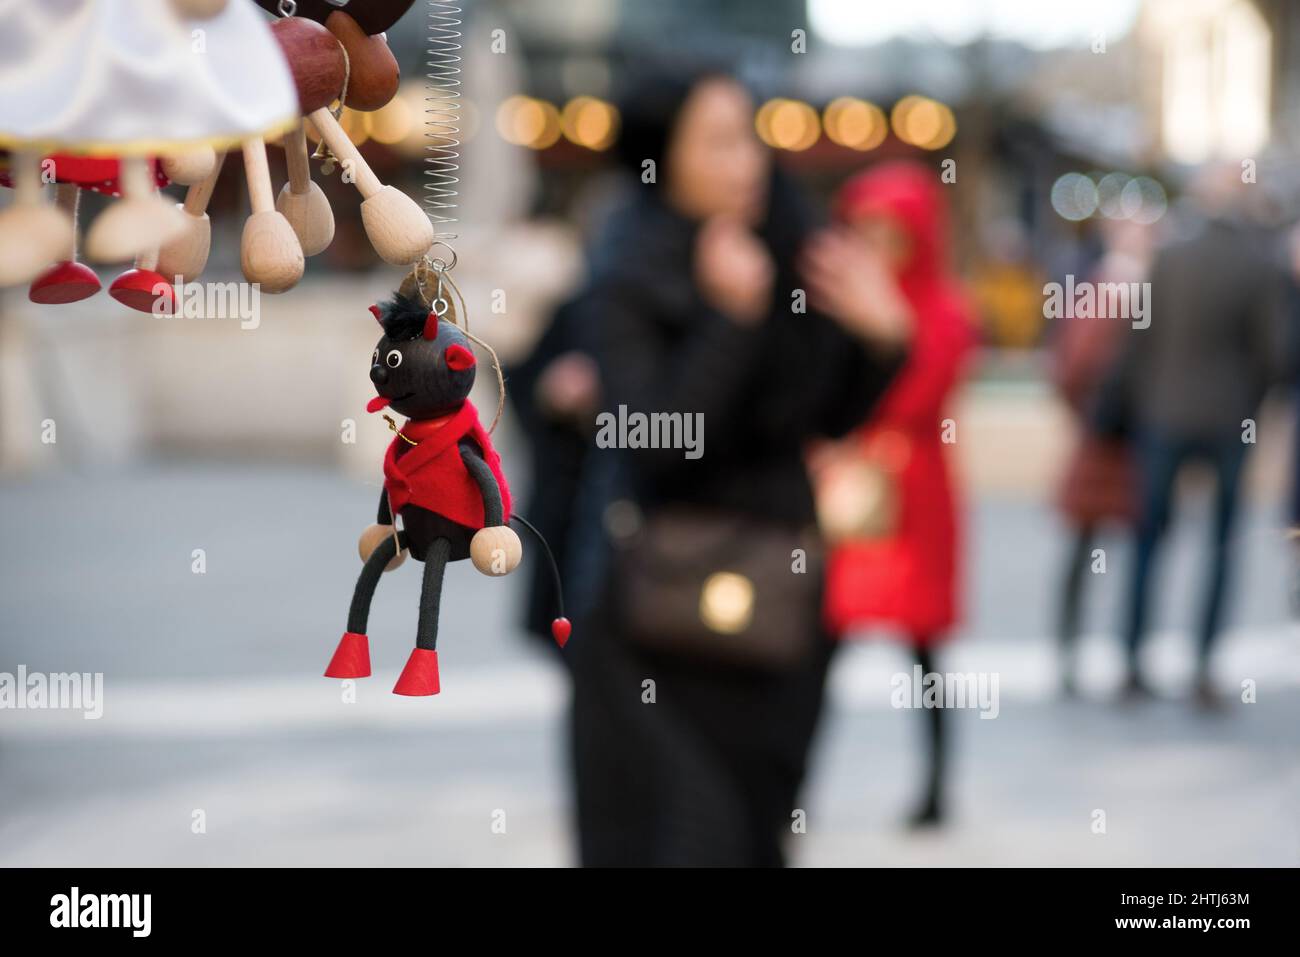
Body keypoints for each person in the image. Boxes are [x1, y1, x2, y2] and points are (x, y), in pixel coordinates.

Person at [567, 66, 910, 866]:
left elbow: (825, 417)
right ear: (662, 157)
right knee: (673, 835)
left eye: (748, 134)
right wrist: (728, 320)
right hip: (654, 615)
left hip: (779, 603)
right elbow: (652, 439)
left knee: (759, 831)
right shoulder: (629, 265)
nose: (745, 162)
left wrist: (883, 340)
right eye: (716, 141)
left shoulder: (795, 249)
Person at [810, 162, 975, 828]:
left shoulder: (944, 312)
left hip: (916, 498)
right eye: (866, 231)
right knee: (819, 643)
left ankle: (936, 789)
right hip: (848, 492)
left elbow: (914, 391)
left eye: (891, 233)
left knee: (925, 649)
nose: (878, 247)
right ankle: (794, 784)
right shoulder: (835, 304)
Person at [1099, 167, 1288, 706]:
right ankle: (1203, 665)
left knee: (1148, 542)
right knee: (1223, 547)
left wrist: (1137, 406)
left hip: (1164, 417)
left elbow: (1138, 341)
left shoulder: (1171, 256)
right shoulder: (1259, 264)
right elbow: (1275, 354)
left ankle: (1133, 661)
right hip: (1230, 422)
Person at [1051, 219, 1147, 694]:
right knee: (1107, 551)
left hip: (1113, 441)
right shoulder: (1116, 290)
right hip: (1117, 443)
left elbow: (1068, 367)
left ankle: (1082, 652)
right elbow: (1073, 367)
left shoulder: (1115, 289)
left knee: (1090, 551)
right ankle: (1108, 656)